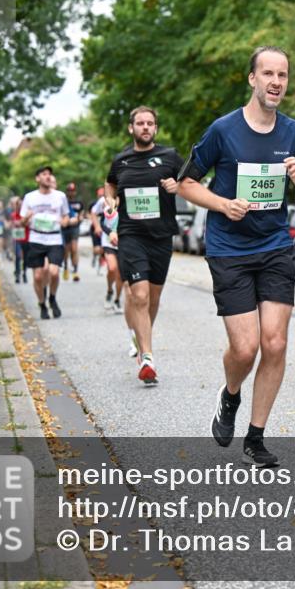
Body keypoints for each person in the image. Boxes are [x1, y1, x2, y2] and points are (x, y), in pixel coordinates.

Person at [175, 46, 295, 467]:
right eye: (269, 74)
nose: (277, 82)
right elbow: (186, 184)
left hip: (275, 246)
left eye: (284, 75)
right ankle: (230, 396)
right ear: (252, 79)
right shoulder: (223, 130)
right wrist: (223, 204)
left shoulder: (294, 132)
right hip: (229, 250)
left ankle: (256, 438)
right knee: (246, 348)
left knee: (274, 343)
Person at [105, 106, 184, 385]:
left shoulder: (169, 156)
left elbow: (189, 182)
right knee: (138, 295)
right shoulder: (121, 160)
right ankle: (147, 357)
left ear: (156, 128)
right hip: (131, 235)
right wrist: (110, 200)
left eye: (150, 123)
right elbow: (110, 184)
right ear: (131, 128)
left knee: (153, 297)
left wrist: (178, 186)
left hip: (161, 236)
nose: (146, 127)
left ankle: (141, 337)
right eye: (140, 123)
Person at [21, 166, 70, 319]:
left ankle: (52, 298)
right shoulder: (29, 197)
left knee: (54, 272)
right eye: (44, 174)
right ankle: (42, 304)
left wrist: (64, 222)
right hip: (36, 238)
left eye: (50, 174)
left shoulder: (60, 196)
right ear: (37, 179)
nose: (48, 177)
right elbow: (22, 223)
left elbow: (66, 216)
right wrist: (27, 218)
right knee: (37, 276)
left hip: (54, 238)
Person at [90, 192, 124, 314]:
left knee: (121, 275)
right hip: (109, 241)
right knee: (112, 268)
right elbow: (97, 216)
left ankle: (117, 300)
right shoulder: (106, 201)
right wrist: (98, 227)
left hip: (124, 242)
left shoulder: (129, 198)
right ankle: (110, 291)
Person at [62, 182, 85, 282]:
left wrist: (79, 219)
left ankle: (75, 271)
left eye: (73, 190)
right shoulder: (63, 202)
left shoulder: (79, 203)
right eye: (69, 190)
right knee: (66, 250)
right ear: (67, 191)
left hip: (75, 228)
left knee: (74, 248)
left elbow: (81, 215)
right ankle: (66, 267)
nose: (71, 192)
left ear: (75, 192)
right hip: (65, 228)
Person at [10, 196, 28, 283]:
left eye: (22, 205)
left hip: (26, 239)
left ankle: (24, 272)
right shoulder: (13, 215)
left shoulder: (26, 215)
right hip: (17, 239)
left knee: (25, 257)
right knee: (18, 256)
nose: (20, 206)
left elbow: (28, 223)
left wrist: (21, 223)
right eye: (18, 205)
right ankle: (17, 273)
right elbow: (12, 224)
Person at [90, 186, 105, 273]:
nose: (101, 196)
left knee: (103, 249)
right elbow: (91, 213)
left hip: (105, 229)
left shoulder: (109, 201)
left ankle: (100, 266)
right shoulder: (95, 203)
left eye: (102, 195)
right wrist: (96, 226)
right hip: (95, 228)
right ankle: (95, 255)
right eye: (99, 195)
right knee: (97, 249)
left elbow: (111, 213)